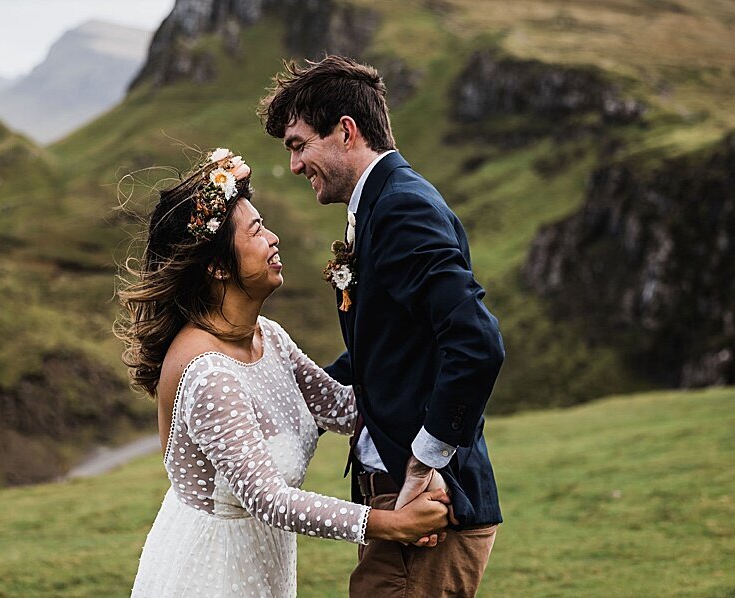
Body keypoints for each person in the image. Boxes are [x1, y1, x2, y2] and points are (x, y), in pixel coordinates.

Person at [119, 149, 452, 596]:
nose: (273, 238)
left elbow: (343, 407)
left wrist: (434, 360)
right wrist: (393, 524)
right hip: (213, 572)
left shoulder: (268, 337)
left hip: (263, 564)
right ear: (217, 267)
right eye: (257, 230)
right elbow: (268, 499)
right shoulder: (209, 375)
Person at [260, 55, 505, 596]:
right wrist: (270, 391)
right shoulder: (381, 204)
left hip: (427, 508)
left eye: (299, 145)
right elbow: (383, 352)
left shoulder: (400, 209)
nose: (296, 165)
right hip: (396, 508)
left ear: (346, 131)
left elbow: (477, 343)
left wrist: (423, 461)